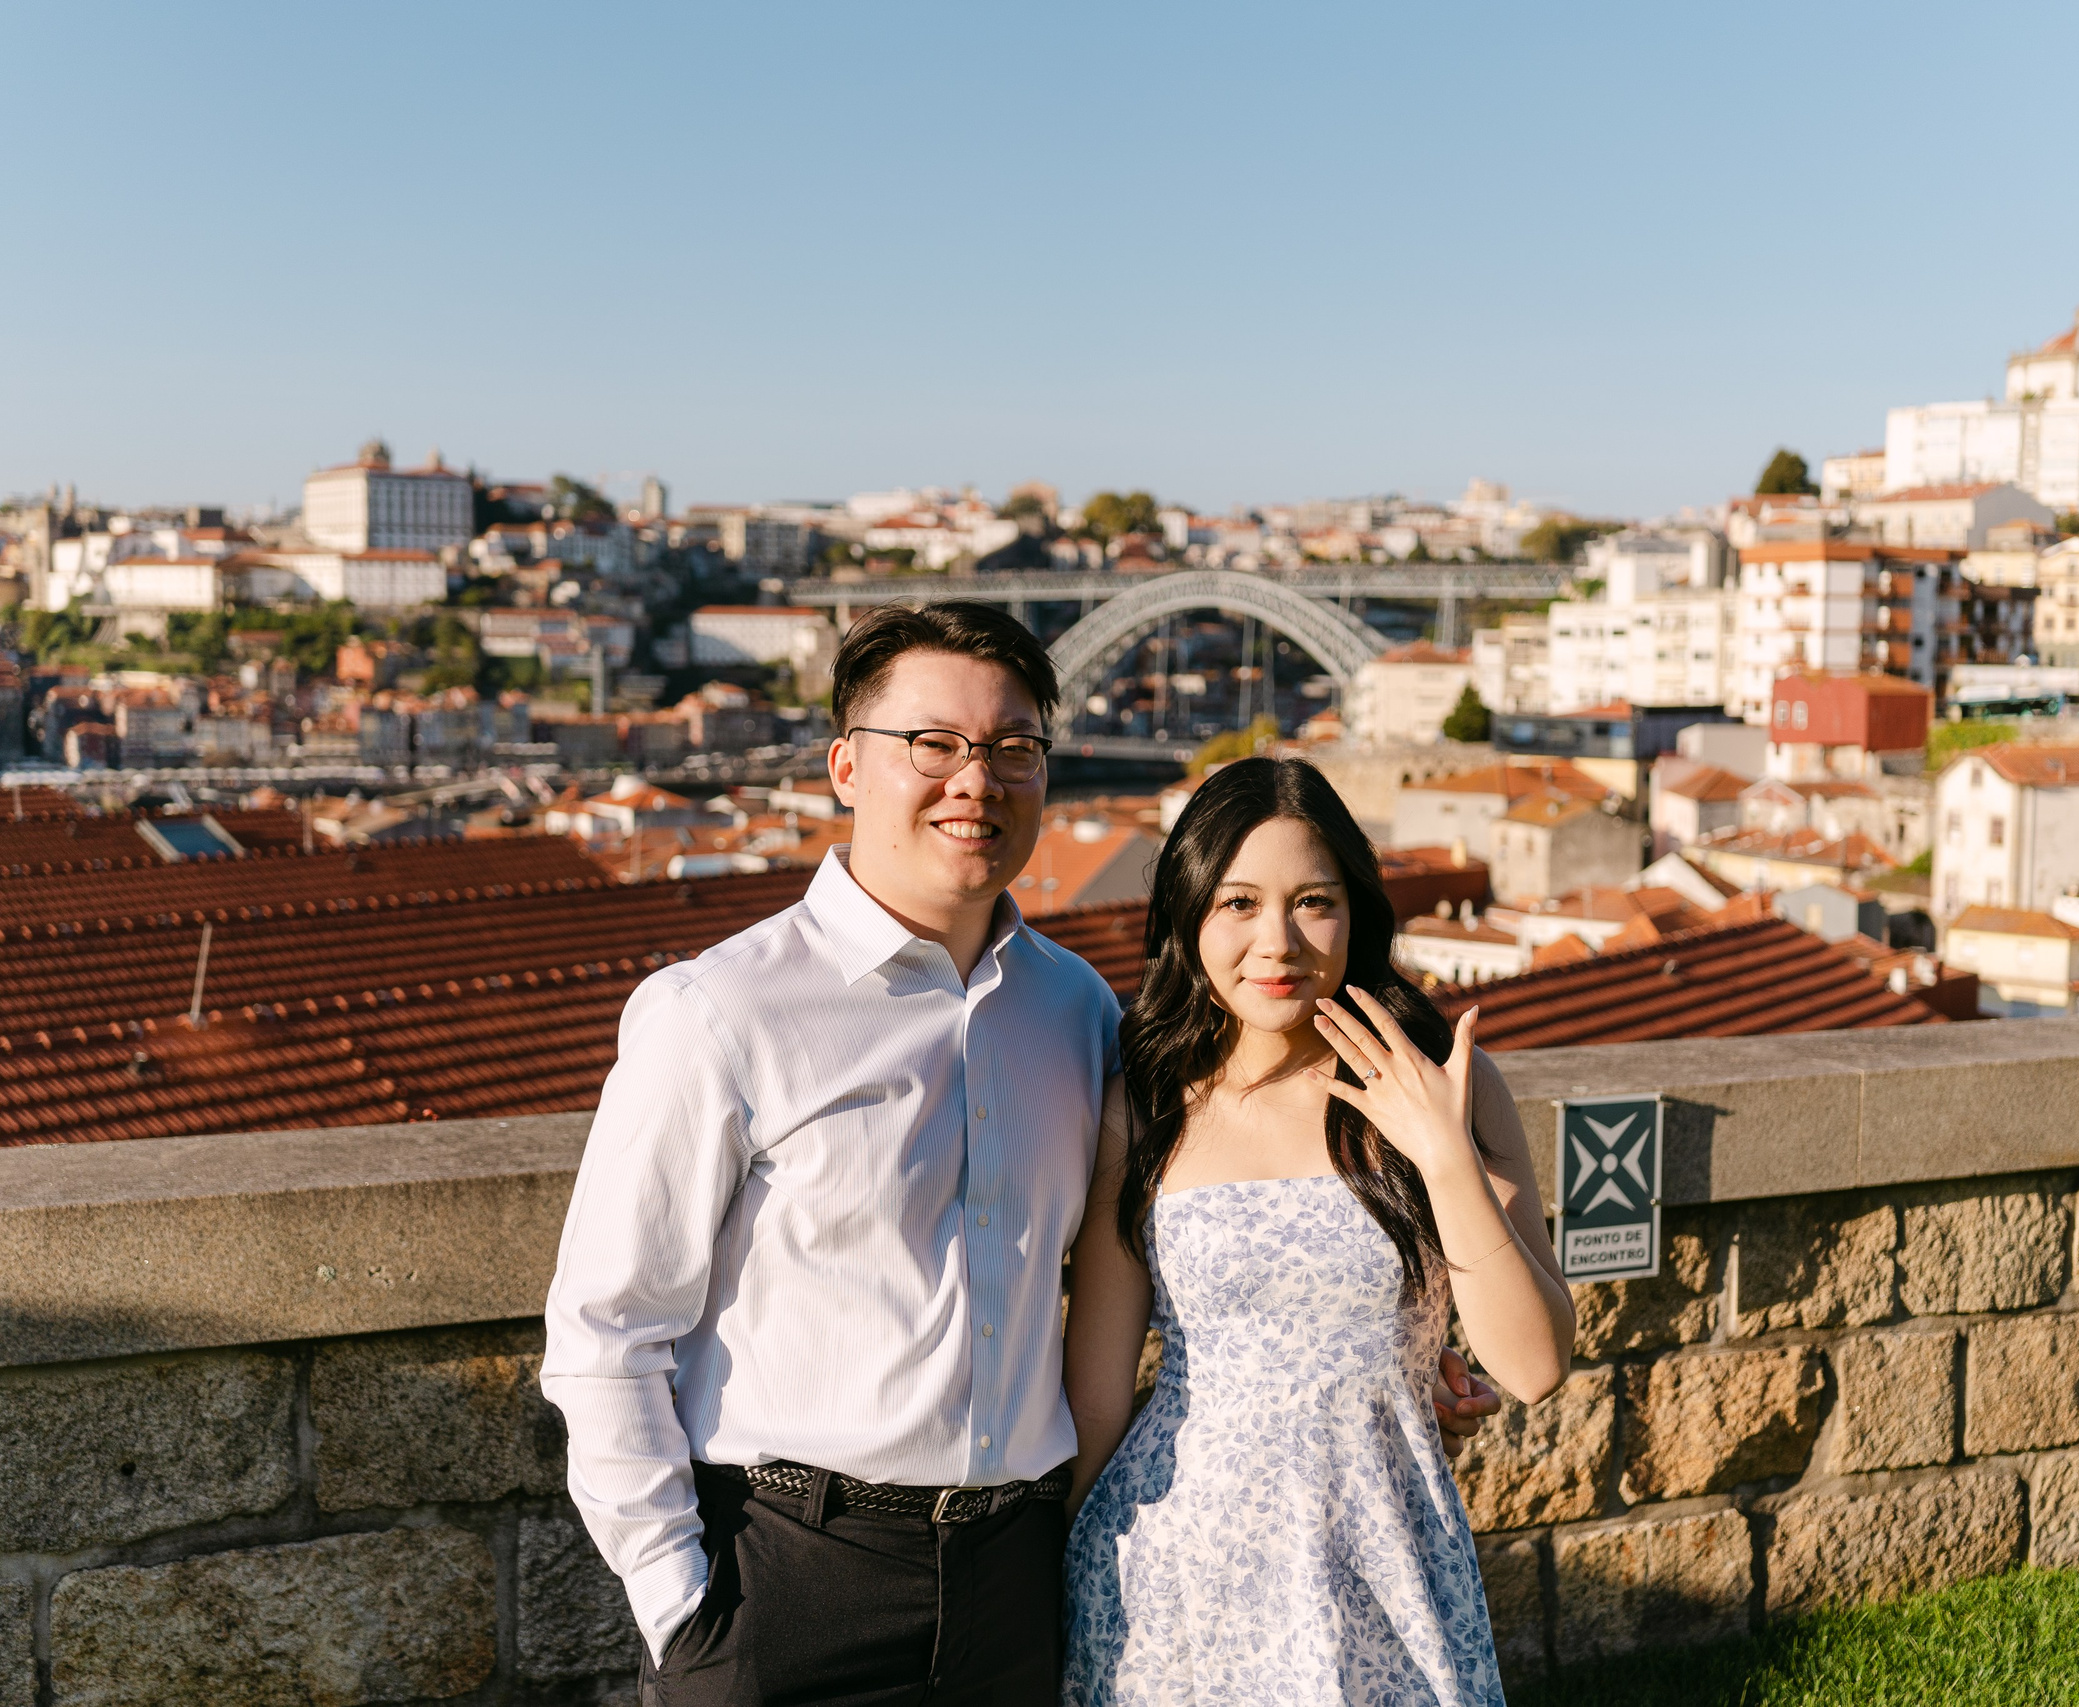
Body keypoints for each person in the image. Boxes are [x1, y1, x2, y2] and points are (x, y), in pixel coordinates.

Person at [543, 603, 1499, 1707]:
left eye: (1011, 749)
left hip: (1015, 1574)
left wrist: (1378, 1340)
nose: (976, 779)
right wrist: (682, 1612)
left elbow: (1199, 1218)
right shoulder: (719, 1013)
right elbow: (606, 1333)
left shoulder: (1078, 1014)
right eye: (934, 744)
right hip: (792, 1575)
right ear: (847, 764)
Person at [1061, 756, 1574, 1706]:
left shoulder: (1446, 1086)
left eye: (1313, 902)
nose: (1278, 941)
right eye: (1238, 902)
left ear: (1357, 913)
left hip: (1385, 1551)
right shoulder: (1143, 1106)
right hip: (1173, 1571)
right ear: (1189, 919)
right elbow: (1097, 1396)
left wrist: (1443, 1153)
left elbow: (1535, 1364)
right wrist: (1043, 1589)